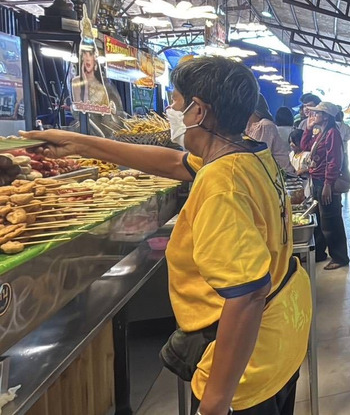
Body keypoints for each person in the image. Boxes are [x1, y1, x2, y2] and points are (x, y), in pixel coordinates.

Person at [27, 57, 311, 414]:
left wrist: (215, 401)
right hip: (280, 339)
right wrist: (80, 144)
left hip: (246, 369)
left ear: (199, 111)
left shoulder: (221, 183)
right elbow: (175, 162)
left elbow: (249, 293)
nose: (171, 111)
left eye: (176, 102)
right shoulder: (248, 155)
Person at [300, 102, 349, 270]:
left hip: (325, 182)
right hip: (318, 180)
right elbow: (305, 147)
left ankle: (340, 257)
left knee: (330, 219)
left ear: (326, 117)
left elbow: (334, 160)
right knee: (320, 218)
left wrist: (328, 183)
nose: (314, 115)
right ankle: (319, 252)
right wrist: (308, 129)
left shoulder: (332, 133)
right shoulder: (322, 133)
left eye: (317, 113)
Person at [247, 94, 294, 176]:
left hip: (281, 175)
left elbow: (260, 156)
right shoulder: (251, 125)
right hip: (268, 173)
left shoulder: (265, 125)